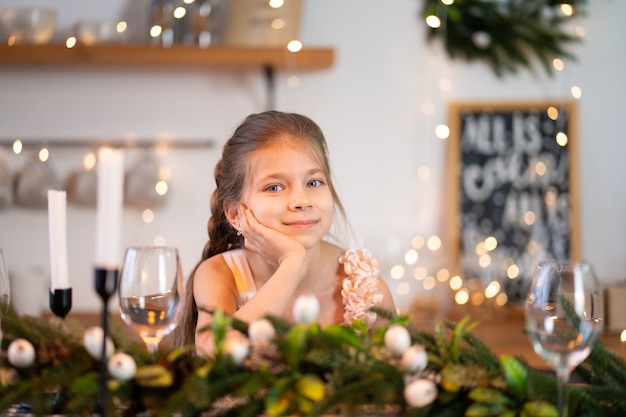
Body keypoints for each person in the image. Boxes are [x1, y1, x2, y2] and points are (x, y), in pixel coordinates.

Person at [174, 111, 396, 356]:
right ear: (235, 213)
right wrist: (292, 264)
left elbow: (395, 379)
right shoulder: (220, 275)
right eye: (275, 187)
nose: (301, 201)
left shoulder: (363, 289)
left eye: (313, 183)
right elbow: (213, 352)